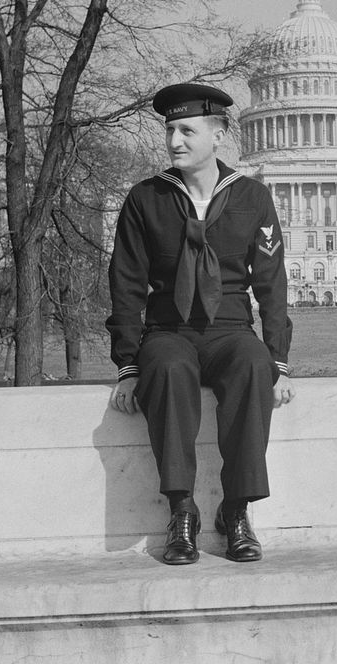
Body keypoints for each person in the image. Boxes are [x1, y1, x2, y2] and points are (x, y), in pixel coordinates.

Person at [106, 82, 295, 566]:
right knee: (166, 370)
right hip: (168, 330)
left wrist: (278, 358)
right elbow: (126, 285)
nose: (174, 141)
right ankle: (182, 512)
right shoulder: (145, 199)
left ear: (218, 136)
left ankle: (236, 511)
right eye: (170, 130)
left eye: (187, 131)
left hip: (231, 329)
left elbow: (271, 283)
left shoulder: (252, 198)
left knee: (254, 366)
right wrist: (129, 365)